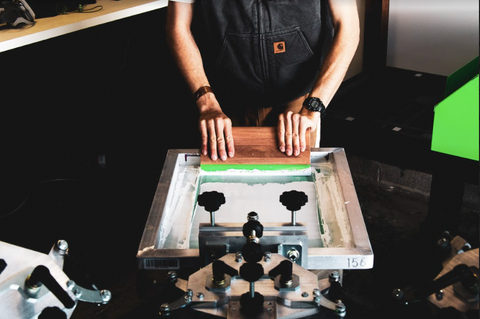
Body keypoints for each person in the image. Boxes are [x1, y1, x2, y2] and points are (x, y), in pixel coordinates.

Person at [166, 0, 359, 161]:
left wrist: (313, 106)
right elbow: (178, 26)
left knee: (297, 189)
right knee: (230, 190)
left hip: (299, 102)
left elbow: (348, 27)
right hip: (223, 103)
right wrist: (206, 103)